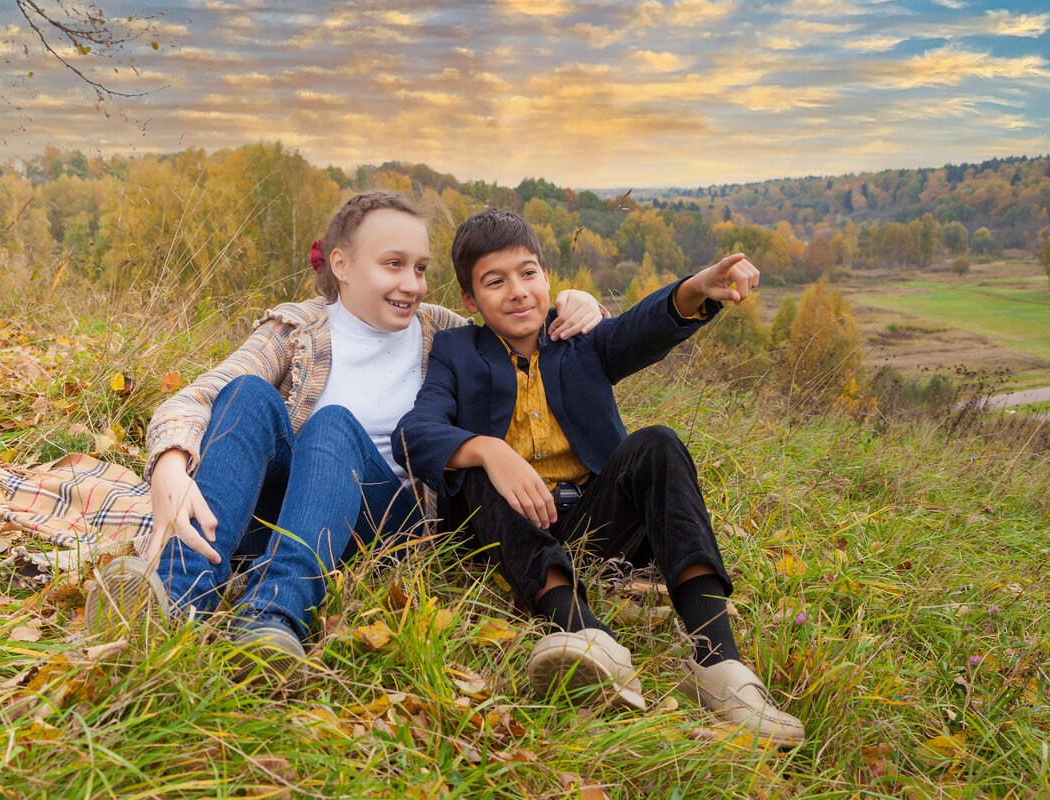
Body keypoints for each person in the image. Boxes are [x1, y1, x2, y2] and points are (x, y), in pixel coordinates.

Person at [83, 191, 605, 670]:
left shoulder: (444, 333)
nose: (412, 284)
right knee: (245, 394)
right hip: (284, 511)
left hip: (385, 524)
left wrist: (581, 304)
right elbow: (200, 394)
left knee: (333, 424)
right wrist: (170, 464)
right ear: (342, 264)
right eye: (393, 264)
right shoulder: (296, 329)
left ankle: (273, 616)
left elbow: (520, 312)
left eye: (420, 268)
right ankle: (175, 598)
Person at [391, 208, 805, 747]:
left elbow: (641, 329)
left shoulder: (579, 340)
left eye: (529, 273)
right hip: (511, 531)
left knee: (658, 442)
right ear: (471, 301)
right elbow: (414, 431)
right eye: (495, 282)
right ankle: (586, 635)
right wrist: (489, 449)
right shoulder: (455, 353)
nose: (518, 292)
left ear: (546, 277)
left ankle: (718, 663)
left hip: (596, 523)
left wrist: (695, 289)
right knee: (471, 474)